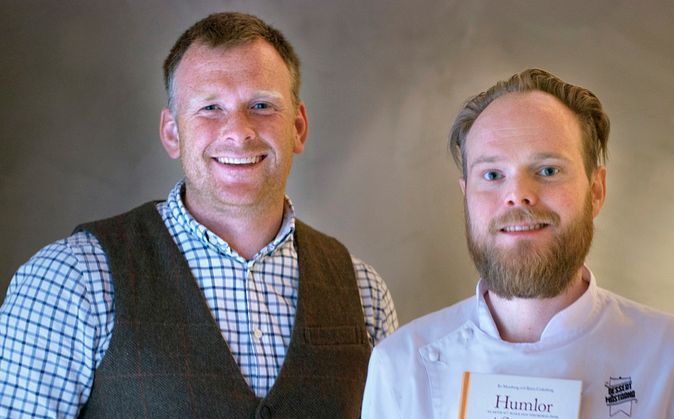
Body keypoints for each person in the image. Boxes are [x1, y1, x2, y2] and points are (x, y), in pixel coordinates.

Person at [0, 12, 397, 418]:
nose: (239, 131)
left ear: (297, 126)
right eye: (210, 108)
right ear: (172, 133)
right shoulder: (75, 279)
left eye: (261, 105)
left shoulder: (364, 293)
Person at [361, 68, 674, 418]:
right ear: (466, 197)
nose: (518, 195)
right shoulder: (400, 367)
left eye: (547, 170)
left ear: (596, 191)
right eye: (492, 174)